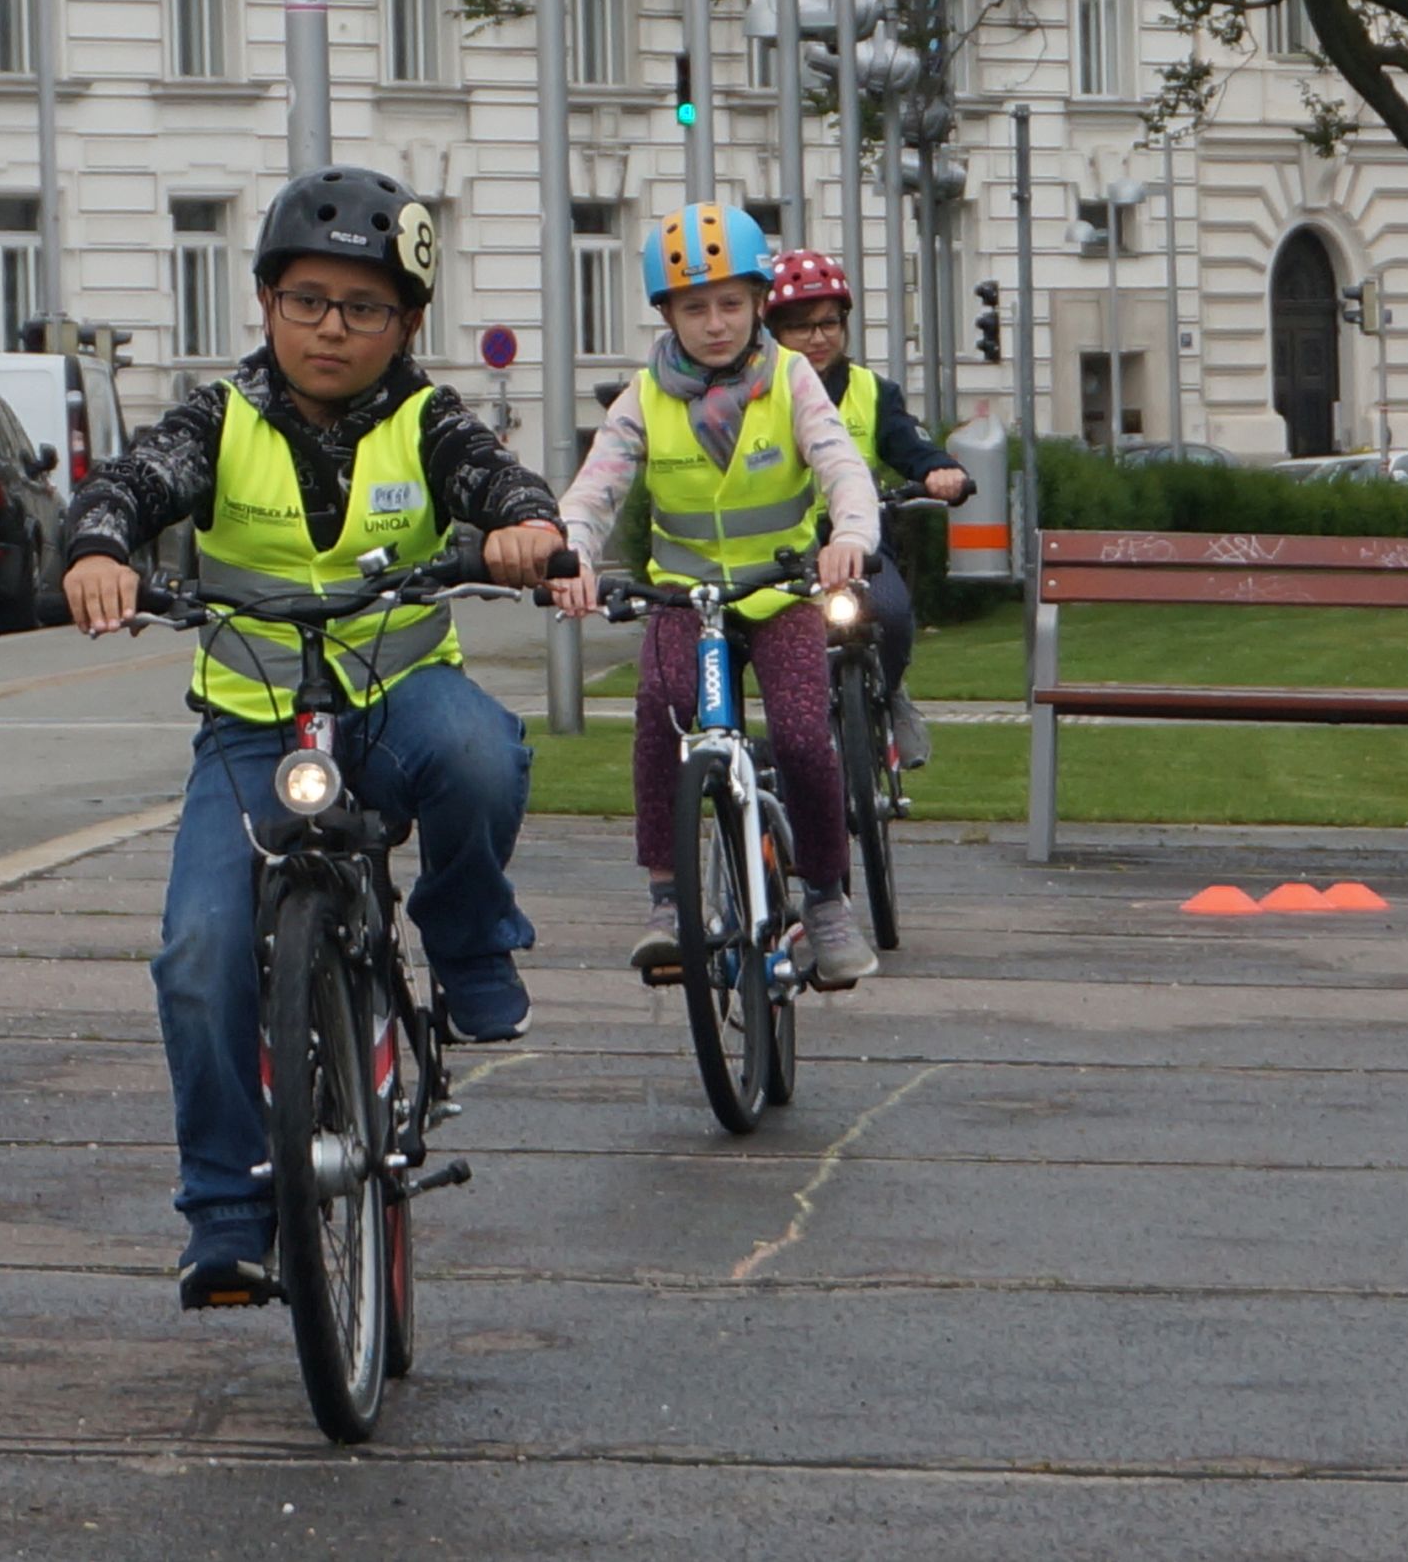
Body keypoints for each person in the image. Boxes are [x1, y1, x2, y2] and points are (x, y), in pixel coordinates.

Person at [61, 164, 567, 1310]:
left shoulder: (428, 420)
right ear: (267, 304)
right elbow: (129, 487)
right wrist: (98, 549)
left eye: (363, 307)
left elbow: (500, 481)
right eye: (307, 300)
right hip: (251, 730)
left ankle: (473, 942)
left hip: (397, 711)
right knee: (198, 954)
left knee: (484, 753)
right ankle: (229, 1212)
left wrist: (526, 529)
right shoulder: (216, 417)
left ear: (408, 324)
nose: (331, 328)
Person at [550, 203, 882, 986]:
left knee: (802, 736)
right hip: (685, 605)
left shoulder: (792, 379)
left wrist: (849, 537)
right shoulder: (642, 397)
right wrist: (572, 554)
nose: (716, 323)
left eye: (732, 303)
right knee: (660, 715)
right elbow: (597, 487)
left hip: (779, 597)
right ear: (665, 314)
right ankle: (669, 901)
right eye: (694, 308)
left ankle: (827, 901)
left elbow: (840, 464)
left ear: (759, 302)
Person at [763, 248, 967, 768]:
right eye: (801, 327)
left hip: (860, 545)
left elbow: (911, 446)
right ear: (773, 334)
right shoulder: (758, 395)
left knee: (892, 614)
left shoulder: (873, 392)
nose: (818, 337)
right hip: (785, 547)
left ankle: (890, 694)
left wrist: (939, 471)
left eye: (829, 322)